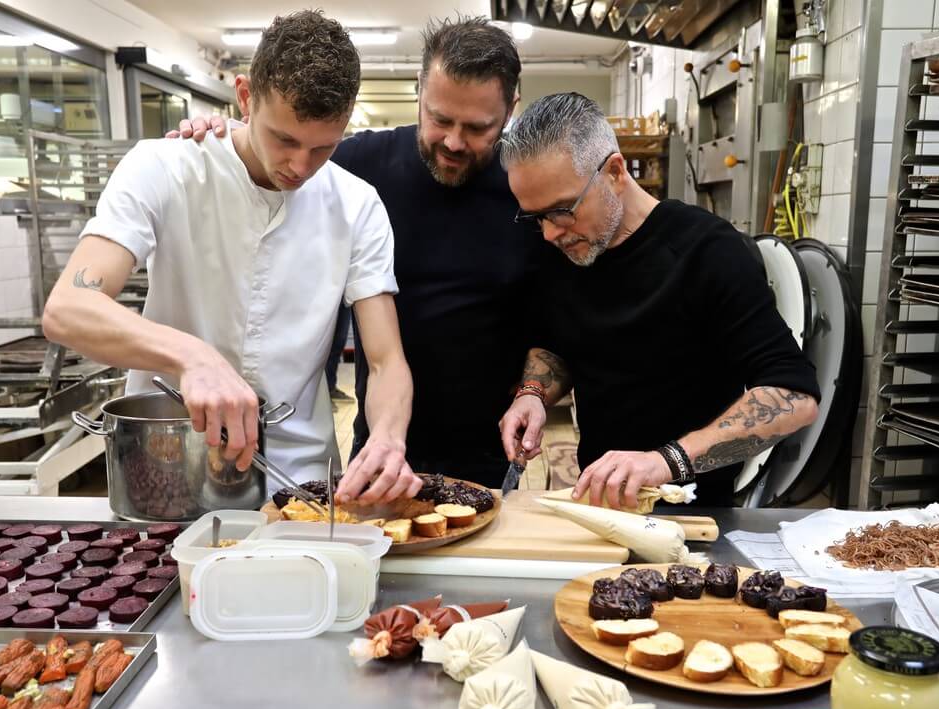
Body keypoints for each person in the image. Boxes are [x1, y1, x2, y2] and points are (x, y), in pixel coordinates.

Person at [43, 11, 421, 504]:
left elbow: (386, 357)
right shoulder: (165, 167)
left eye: (323, 148)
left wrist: (388, 436)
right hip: (169, 464)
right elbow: (68, 310)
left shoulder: (357, 205)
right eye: (283, 139)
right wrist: (193, 356)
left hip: (298, 475)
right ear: (245, 97)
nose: (299, 166)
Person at [171, 17, 543, 488]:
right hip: (378, 447)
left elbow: (553, 318)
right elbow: (275, 166)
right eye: (439, 119)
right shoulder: (355, 168)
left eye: (476, 128)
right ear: (419, 90)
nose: (452, 141)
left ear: (510, 110)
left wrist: (533, 391)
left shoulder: (527, 192)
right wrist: (225, 140)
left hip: (492, 454)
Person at [497, 93, 821, 509]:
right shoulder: (564, 249)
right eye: (536, 217)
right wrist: (532, 394)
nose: (548, 233)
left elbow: (794, 396)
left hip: (696, 512)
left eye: (562, 211)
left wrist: (665, 461)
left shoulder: (708, 251)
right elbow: (562, 347)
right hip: (600, 504)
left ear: (615, 171)